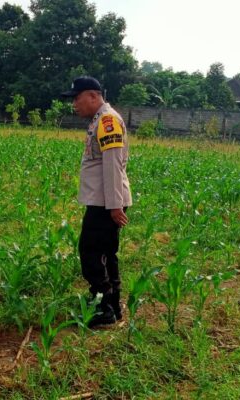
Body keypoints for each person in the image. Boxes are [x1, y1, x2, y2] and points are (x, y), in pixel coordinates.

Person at [61, 76, 132, 327]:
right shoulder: (101, 119)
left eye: (77, 98)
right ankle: (112, 305)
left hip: (105, 203)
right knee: (106, 253)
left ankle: (103, 309)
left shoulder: (108, 120)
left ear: (93, 95)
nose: (74, 104)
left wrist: (114, 205)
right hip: (105, 201)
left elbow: (112, 165)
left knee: (91, 253)